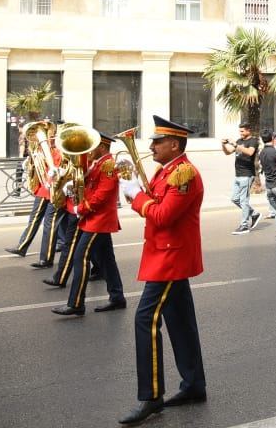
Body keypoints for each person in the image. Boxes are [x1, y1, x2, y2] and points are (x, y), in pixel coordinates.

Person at [118, 116, 207, 425]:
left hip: (170, 258)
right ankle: (194, 385)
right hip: (164, 253)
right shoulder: (166, 170)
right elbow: (157, 202)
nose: (151, 145)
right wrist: (138, 192)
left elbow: (163, 216)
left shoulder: (183, 173)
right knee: (179, 320)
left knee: (146, 319)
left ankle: (151, 397)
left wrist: (135, 196)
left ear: (174, 144)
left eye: (157, 141)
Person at [52, 132, 126, 316]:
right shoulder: (98, 163)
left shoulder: (108, 165)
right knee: (107, 261)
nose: (89, 151)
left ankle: (76, 303)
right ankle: (117, 297)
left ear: (102, 147)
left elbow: (102, 195)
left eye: (92, 147)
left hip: (98, 220)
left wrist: (81, 208)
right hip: (93, 219)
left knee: (80, 257)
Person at [221, 124, 260, 235]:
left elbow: (250, 152)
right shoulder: (239, 140)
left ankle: (244, 226)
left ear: (248, 130)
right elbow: (228, 152)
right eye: (240, 131)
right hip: (238, 174)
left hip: (247, 174)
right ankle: (254, 214)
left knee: (244, 200)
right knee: (234, 199)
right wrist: (223, 145)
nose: (241, 133)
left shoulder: (253, 141)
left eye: (242, 131)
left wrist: (236, 144)